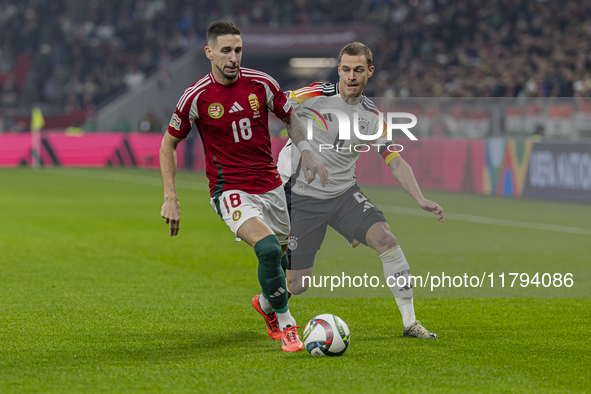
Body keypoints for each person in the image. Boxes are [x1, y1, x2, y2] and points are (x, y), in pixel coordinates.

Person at [159, 21, 328, 352]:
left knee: (283, 267)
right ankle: (287, 324)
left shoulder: (262, 84)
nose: (233, 57)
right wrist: (170, 197)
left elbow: (290, 118)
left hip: (270, 185)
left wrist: (306, 152)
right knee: (266, 250)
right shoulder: (196, 96)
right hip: (229, 189)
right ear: (209, 53)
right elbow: (168, 144)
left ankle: (265, 305)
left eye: (237, 50)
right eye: (225, 51)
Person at [277, 42, 444, 339]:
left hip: (343, 195)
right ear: (338, 70)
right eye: (345, 69)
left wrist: (420, 198)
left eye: (358, 70)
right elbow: (274, 103)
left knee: (386, 239)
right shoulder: (315, 94)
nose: (351, 76)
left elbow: (394, 160)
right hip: (302, 196)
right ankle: (267, 301)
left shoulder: (372, 117)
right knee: (297, 286)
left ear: (370, 72)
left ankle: (410, 322)